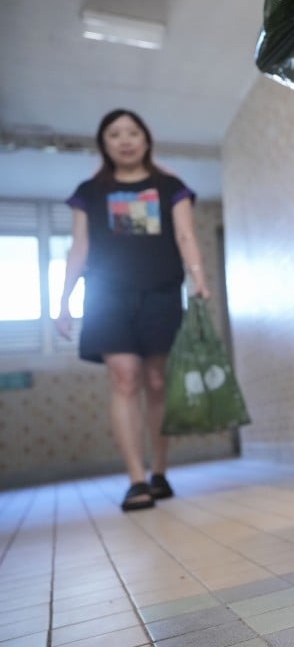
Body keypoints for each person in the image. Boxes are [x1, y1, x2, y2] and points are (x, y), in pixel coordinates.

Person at [55, 108, 210, 512]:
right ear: (103, 144)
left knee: (157, 382)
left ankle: (159, 471)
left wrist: (199, 277)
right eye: (114, 134)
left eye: (132, 132)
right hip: (106, 296)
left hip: (160, 293)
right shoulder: (89, 192)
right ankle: (136, 480)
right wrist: (63, 300)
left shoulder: (170, 186)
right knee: (124, 378)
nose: (124, 140)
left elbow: (185, 234)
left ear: (146, 139)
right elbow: (79, 247)